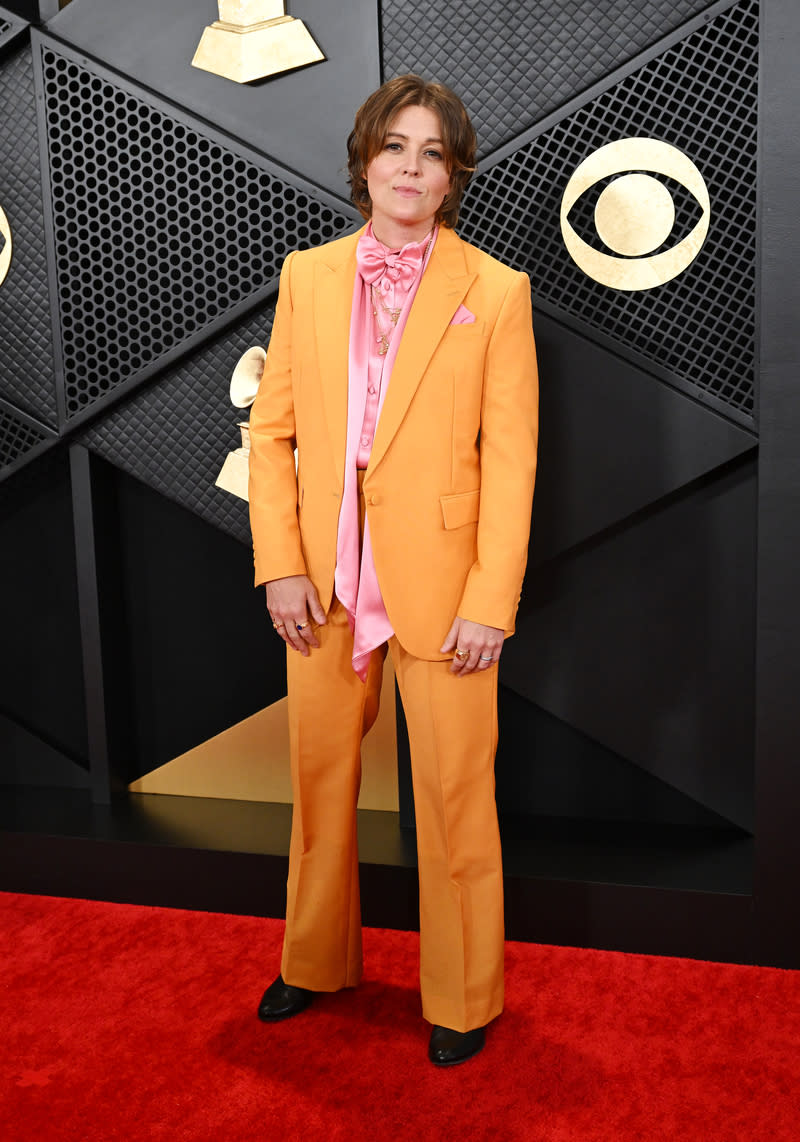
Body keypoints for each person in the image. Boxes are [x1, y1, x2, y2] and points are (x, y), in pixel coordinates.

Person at [247, 74, 538, 1066]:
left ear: (451, 175)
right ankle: (313, 959)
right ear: (363, 159)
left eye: (430, 152)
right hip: (320, 588)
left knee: (456, 794)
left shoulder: (495, 292)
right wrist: (279, 565)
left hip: (444, 588)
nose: (409, 167)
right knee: (317, 781)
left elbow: (511, 459)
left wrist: (489, 600)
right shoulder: (306, 275)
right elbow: (272, 428)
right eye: (393, 147)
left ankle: (462, 993)